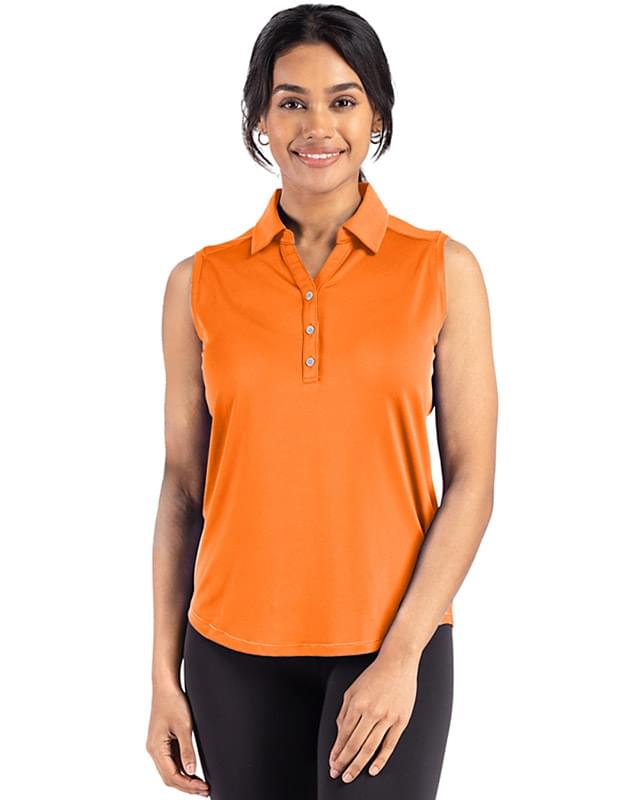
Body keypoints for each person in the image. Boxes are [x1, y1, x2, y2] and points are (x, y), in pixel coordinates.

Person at [146, 4, 497, 799]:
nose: (317, 125)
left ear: (377, 116)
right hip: (231, 654)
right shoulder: (198, 283)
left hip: (390, 644)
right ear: (260, 119)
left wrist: (403, 654)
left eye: (343, 100)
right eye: (291, 101)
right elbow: (182, 489)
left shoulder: (443, 271)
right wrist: (164, 674)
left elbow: (472, 481)